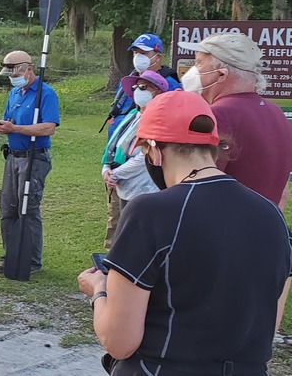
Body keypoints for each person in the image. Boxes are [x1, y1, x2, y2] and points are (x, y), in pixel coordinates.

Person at [78, 90, 292, 376]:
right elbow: (268, 326)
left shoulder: (151, 212)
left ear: (153, 149)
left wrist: (99, 291)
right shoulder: (272, 216)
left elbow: (119, 342)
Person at [177, 32, 292, 206]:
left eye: (199, 63)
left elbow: (198, 188)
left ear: (221, 74)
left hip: (221, 227)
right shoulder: (276, 114)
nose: (192, 71)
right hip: (266, 226)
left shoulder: (216, 116)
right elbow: (282, 191)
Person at [102, 34, 181, 253]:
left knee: (138, 229)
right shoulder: (131, 82)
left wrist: (117, 172)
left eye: (144, 53)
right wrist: (108, 166)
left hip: (145, 176)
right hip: (119, 165)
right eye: (136, 53)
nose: (138, 57)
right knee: (115, 222)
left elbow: (153, 147)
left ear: (157, 55)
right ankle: (110, 266)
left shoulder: (170, 87)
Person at [0, 51, 59, 275]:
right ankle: (10, 254)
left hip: (34, 157)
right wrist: (2, 126)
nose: (12, 76)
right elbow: (10, 120)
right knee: (7, 206)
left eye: (15, 71)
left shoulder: (45, 94)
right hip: (13, 156)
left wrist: (15, 129)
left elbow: (49, 128)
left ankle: (31, 260)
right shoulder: (14, 93)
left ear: (28, 68)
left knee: (28, 208)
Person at [99, 70, 169, 249]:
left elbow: (144, 156)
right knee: (119, 228)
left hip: (143, 187)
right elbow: (114, 144)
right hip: (122, 183)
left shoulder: (159, 120)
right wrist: (106, 167)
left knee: (137, 235)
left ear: (158, 92)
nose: (138, 91)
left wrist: (115, 173)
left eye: (144, 87)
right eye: (136, 87)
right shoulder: (133, 115)